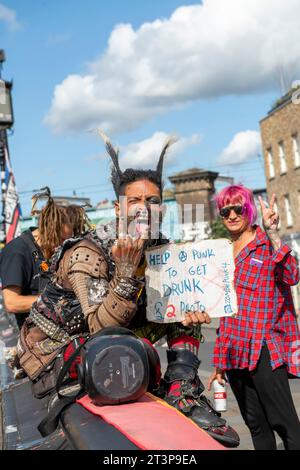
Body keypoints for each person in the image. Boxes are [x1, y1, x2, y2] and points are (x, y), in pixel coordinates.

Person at [18, 133, 239, 447]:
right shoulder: (88, 253)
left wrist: (190, 312)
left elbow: (171, 310)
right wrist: (123, 274)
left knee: (184, 310)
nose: (144, 209)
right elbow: (99, 328)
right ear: (118, 208)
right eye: (134, 201)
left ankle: (183, 393)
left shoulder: (163, 249)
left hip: (115, 345)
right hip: (60, 352)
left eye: (153, 202)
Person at [208, 184, 300, 450]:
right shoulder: (222, 252)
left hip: (264, 349)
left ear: (248, 209)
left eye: (238, 208)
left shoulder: (265, 245)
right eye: (226, 211)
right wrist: (219, 363)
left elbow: (292, 276)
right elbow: (225, 312)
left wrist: (274, 234)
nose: (232, 215)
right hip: (234, 351)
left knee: (284, 423)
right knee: (256, 425)